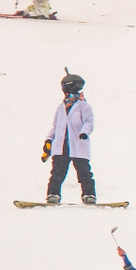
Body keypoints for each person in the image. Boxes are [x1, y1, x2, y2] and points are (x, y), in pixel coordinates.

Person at [41, 71, 97, 203]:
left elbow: (89, 122)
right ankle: (53, 194)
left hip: (78, 144)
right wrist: (49, 139)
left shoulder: (84, 106)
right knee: (57, 173)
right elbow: (56, 127)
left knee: (84, 172)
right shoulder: (61, 107)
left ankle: (89, 195)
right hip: (61, 146)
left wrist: (84, 132)